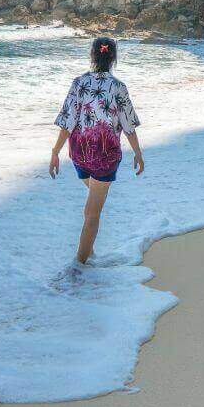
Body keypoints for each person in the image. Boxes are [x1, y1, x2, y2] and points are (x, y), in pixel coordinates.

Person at [50, 37, 144, 265]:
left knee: (90, 207)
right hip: (104, 155)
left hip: (79, 154)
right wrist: (138, 153)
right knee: (93, 212)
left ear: (92, 55)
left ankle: (88, 251)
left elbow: (67, 121)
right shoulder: (118, 87)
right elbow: (128, 125)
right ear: (113, 58)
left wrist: (55, 151)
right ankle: (78, 268)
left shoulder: (78, 83)